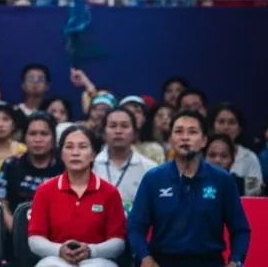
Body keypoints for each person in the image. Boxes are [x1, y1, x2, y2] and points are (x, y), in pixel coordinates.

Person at [128, 109, 251, 267]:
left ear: (204, 141)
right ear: (171, 139)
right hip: (163, 262)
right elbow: (135, 227)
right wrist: (145, 258)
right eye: (178, 131)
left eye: (192, 132)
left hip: (209, 262)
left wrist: (236, 261)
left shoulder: (222, 180)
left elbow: (240, 230)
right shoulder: (153, 179)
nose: (185, 137)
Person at [27, 125, 127, 267]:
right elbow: (35, 239)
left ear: (93, 154)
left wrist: (91, 250)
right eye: (69, 147)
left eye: (82, 147)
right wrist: (59, 250)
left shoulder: (110, 192)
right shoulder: (45, 190)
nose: (75, 153)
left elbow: (118, 242)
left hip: (97, 260)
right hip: (55, 259)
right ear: (61, 154)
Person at [0, 111, 62, 231]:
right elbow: (1, 201)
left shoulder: (63, 166)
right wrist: (16, 231)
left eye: (44, 134)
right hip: (16, 231)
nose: (38, 139)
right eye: (32, 134)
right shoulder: (11, 165)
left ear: (53, 138)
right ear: (24, 138)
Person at [93, 107, 156, 211]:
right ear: (103, 133)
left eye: (124, 126)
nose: (118, 131)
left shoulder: (150, 169)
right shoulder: (92, 165)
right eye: (113, 126)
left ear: (135, 133)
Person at [210, 103, 264, 196]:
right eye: (221, 122)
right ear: (213, 126)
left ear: (239, 129)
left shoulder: (249, 157)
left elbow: (256, 191)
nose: (226, 127)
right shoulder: (201, 153)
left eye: (231, 123)